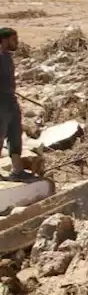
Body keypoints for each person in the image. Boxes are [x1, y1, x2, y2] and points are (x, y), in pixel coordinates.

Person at [0, 29, 32, 181]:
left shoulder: (7, 56)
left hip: (10, 100)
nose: (17, 42)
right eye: (14, 39)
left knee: (15, 134)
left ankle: (17, 170)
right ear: (4, 40)